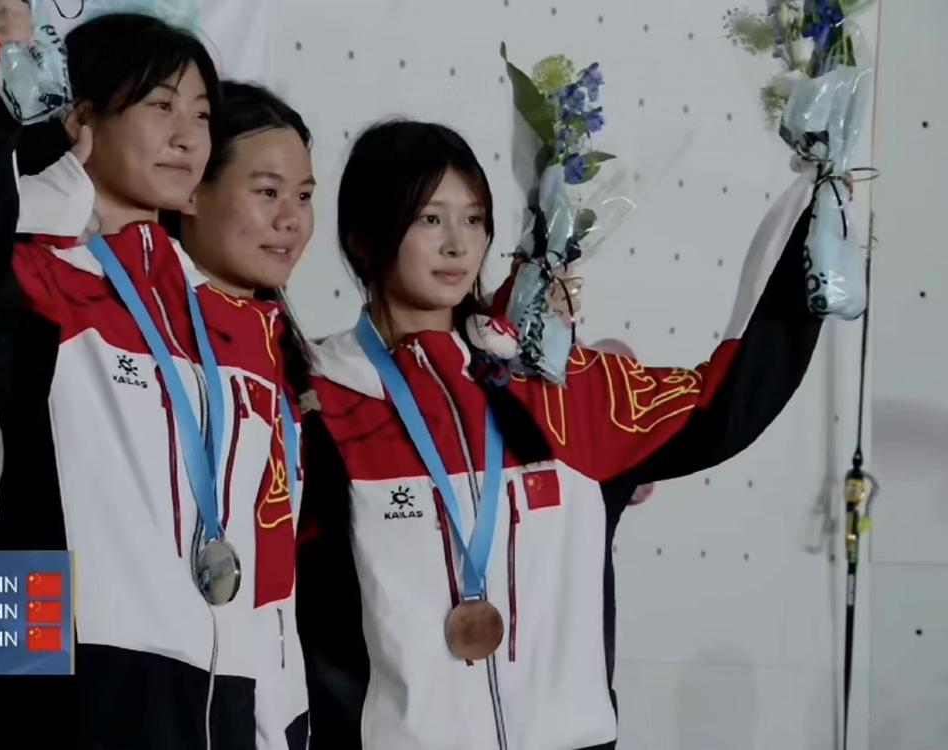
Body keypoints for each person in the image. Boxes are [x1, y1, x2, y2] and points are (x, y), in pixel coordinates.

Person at [295, 119, 824, 750]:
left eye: (474, 218)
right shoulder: (318, 399)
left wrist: (816, 215)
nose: (458, 244)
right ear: (362, 237)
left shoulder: (557, 387)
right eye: (429, 219)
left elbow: (727, 398)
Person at [0, 3, 307, 746]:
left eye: (202, 114)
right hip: (81, 681)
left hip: (227, 693)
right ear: (83, 116)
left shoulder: (237, 324)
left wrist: (280, 718)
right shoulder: (44, 282)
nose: (188, 135)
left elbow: (268, 553)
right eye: (160, 106)